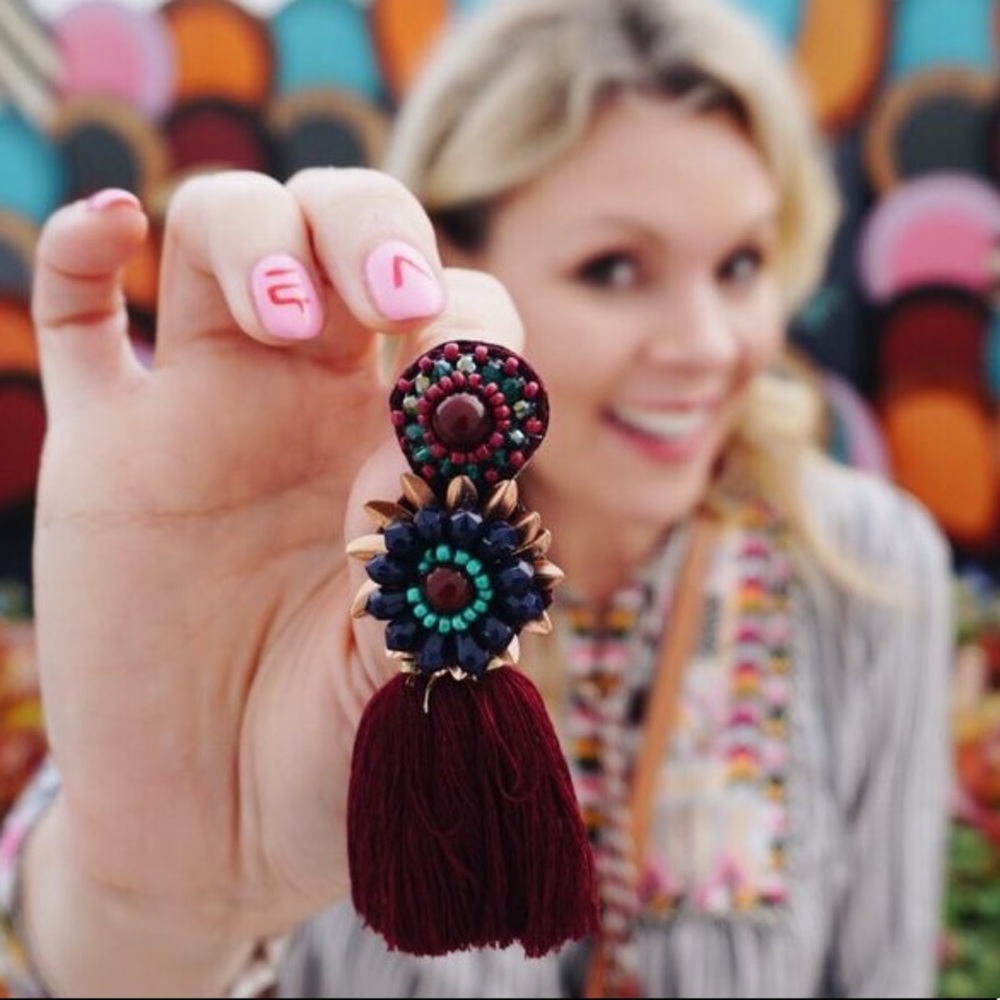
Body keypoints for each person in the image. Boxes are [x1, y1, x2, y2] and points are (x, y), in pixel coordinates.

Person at [0, 0, 955, 996]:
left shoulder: (865, 566)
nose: (709, 344)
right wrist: (156, 905)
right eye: (614, 269)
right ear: (452, 263)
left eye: (742, 264)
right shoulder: (314, 547)